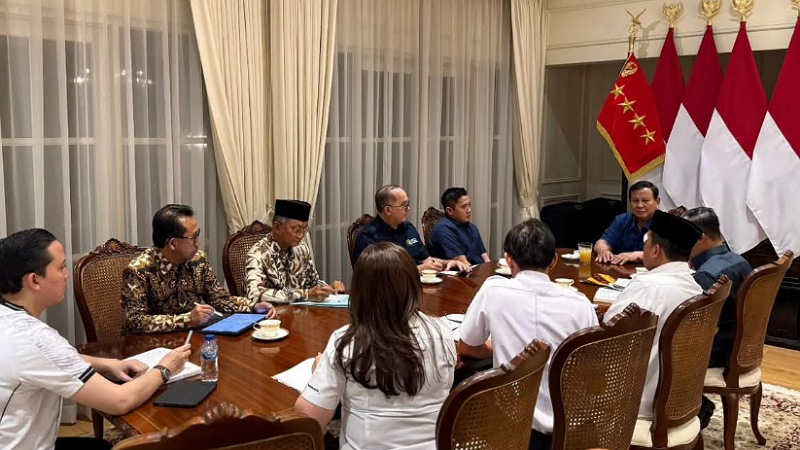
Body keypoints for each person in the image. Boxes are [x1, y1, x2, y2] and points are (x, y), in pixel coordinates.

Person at [0, 229, 191, 450]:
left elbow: (45, 360)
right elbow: (119, 401)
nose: (66, 275)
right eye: (61, 267)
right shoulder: (36, 339)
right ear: (34, 280)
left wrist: (109, 363)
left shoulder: (10, 319)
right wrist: (165, 367)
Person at [294, 242, 456, 449]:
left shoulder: (347, 341)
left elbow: (308, 419)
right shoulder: (442, 331)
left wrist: (319, 373)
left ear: (361, 292)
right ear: (414, 285)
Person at [457, 219, 598, 450]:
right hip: (570, 428)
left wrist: (498, 347)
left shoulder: (494, 290)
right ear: (553, 260)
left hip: (511, 426)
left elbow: (466, 347)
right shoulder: (580, 303)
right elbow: (589, 365)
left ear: (508, 260)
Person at [603, 210, 703, 421]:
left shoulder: (647, 286)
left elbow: (609, 334)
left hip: (636, 403)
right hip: (679, 397)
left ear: (656, 250)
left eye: (645, 245)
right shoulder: (696, 288)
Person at [122, 204, 275, 335]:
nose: (198, 243)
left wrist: (253, 306)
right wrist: (187, 320)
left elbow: (219, 299)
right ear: (173, 244)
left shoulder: (198, 260)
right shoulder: (139, 271)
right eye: (193, 238)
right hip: (151, 347)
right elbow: (136, 321)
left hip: (192, 339)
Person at [683, 207, 752, 427]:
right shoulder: (738, 259)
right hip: (741, 346)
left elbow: (695, 328)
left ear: (701, 237)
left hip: (718, 352)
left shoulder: (707, 274)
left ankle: (694, 408)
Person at [245, 199, 345, 303]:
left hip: (299, 312)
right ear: (277, 227)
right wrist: (304, 295)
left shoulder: (301, 248)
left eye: (304, 230)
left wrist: (329, 288)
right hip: (270, 315)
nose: (301, 236)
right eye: (296, 230)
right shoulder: (258, 254)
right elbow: (254, 294)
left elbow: (312, 284)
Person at [353, 185, 469, 272]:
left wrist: (448, 262)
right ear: (388, 210)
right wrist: (418, 270)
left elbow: (426, 260)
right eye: (404, 205)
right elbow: (377, 277)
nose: (409, 208)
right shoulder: (368, 237)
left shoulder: (408, 228)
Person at [595, 180, 661, 265]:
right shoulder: (622, 220)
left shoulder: (667, 224)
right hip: (622, 272)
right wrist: (603, 251)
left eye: (645, 201)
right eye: (635, 201)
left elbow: (671, 257)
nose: (640, 205)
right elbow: (602, 242)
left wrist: (637, 255)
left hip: (655, 274)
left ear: (657, 202)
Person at [429, 187, 490, 266]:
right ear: (450, 211)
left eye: (469, 205)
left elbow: (485, 257)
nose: (469, 210)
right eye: (464, 207)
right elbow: (463, 264)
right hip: (460, 275)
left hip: (480, 271)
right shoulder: (443, 229)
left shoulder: (472, 227)